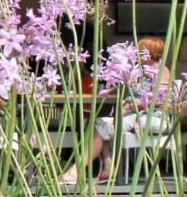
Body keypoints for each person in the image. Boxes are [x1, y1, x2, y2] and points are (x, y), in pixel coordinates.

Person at [62, 36, 171, 184]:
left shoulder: (161, 70)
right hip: (136, 116)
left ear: (148, 52)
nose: (135, 55)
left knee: (103, 126)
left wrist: (132, 106)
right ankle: (108, 167)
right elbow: (129, 86)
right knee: (100, 123)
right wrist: (107, 91)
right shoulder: (141, 70)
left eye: (139, 51)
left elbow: (158, 100)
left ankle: (75, 172)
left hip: (154, 119)